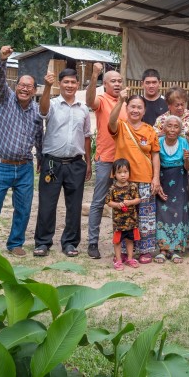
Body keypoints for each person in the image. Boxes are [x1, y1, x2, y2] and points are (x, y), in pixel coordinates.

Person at [0, 45, 43, 257]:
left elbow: (39, 137)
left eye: (29, 86)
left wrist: (40, 159)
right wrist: (2, 59)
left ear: (35, 90)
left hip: (24, 166)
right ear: (16, 86)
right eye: (21, 85)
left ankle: (15, 243)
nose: (25, 89)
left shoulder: (37, 111)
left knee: (24, 208)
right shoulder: (5, 99)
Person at [33, 69, 92, 258]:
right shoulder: (51, 104)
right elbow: (42, 111)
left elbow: (87, 136)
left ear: (77, 84)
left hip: (76, 163)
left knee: (74, 206)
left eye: (73, 82)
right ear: (60, 83)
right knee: (47, 204)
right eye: (66, 82)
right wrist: (47, 87)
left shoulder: (83, 108)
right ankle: (43, 242)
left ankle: (70, 243)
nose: (69, 85)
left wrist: (88, 163)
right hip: (52, 162)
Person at [108, 89, 161, 264]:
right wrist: (120, 101)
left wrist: (156, 178)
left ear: (144, 111)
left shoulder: (149, 130)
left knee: (145, 218)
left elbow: (155, 155)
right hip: (123, 182)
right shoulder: (121, 126)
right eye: (132, 106)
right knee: (124, 216)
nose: (135, 110)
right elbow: (111, 121)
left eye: (139, 107)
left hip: (145, 179)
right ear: (127, 107)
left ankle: (145, 250)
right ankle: (123, 251)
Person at [154, 86, 189, 254]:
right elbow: (153, 139)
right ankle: (168, 238)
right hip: (167, 170)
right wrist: (165, 132)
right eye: (176, 104)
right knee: (167, 204)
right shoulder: (162, 120)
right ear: (169, 105)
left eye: (182, 104)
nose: (180, 108)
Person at [86, 63, 126, 259]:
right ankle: (93, 242)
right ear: (105, 85)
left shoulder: (127, 102)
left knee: (125, 201)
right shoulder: (101, 99)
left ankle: (124, 243)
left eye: (119, 81)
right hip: (105, 159)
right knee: (99, 202)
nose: (117, 84)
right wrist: (94, 75)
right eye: (113, 81)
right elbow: (89, 100)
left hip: (125, 162)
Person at [155, 115, 189, 263]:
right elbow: (154, 163)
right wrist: (156, 182)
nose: (172, 129)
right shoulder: (158, 142)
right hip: (162, 179)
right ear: (163, 128)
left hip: (179, 181)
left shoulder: (184, 142)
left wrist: (187, 158)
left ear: (180, 129)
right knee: (162, 213)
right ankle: (163, 249)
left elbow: (188, 167)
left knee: (179, 213)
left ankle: (175, 249)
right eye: (169, 126)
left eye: (175, 126)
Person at [105, 159, 142, 270]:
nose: (122, 175)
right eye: (119, 172)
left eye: (125, 172)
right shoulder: (112, 188)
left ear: (129, 172)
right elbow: (108, 201)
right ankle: (118, 260)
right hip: (118, 222)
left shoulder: (133, 187)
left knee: (130, 240)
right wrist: (117, 205)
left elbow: (138, 199)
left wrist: (130, 202)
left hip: (131, 221)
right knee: (117, 241)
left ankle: (130, 258)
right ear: (114, 174)